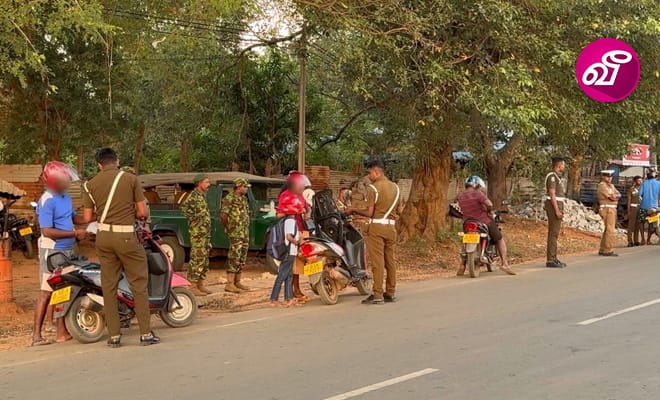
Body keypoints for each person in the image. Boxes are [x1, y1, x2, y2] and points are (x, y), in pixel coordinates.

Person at [82, 148, 159, 347]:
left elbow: (88, 218)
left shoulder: (89, 185)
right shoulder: (130, 179)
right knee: (138, 284)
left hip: (104, 237)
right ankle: (145, 333)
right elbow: (142, 212)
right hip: (126, 236)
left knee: (108, 286)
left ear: (99, 165)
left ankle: (114, 336)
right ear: (116, 161)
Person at [31, 161, 86, 346]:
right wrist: (74, 233)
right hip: (52, 250)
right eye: (64, 180)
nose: (68, 183)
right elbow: (47, 230)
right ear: (54, 182)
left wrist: (90, 218)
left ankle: (61, 331)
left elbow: (73, 218)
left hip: (68, 249)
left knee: (63, 290)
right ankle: (36, 335)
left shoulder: (65, 197)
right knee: (46, 292)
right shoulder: (47, 200)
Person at [345, 159, 397, 305]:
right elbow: (397, 210)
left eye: (370, 173)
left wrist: (353, 209)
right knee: (390, 261)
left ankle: (378, 294)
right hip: (391, 228)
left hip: (377, 228)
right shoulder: (395, 188)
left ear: (376, 171)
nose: (369, 176)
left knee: (377, 262)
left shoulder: (373, 188)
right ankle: (391, 292)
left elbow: (369, 212)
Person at [457, 175, 516, 276]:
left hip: (467, 223)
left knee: (465, 240)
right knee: (499, 238)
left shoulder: (460, 196)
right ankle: (505, 264)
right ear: (476, 185)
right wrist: (488, 210)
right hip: (483, 221)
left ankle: (462, 265)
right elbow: (489, 204)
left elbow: (456, 207)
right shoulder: (478, 194)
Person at [277, 171, 310, 302]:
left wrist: (307, 212)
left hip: (301, 230)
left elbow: (307, 208)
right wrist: (294, 210)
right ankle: (291, 291)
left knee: (299, 262)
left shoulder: (300, 196)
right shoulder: (284, 196)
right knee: (290, 262)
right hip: (289, 231)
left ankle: (295, 289)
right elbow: (279, 214)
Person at [269, 193, 306, 307]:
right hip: (289, 251)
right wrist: (298, 242)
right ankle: (273, 299)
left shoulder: (288, 220)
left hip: (291, 251)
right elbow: (289, 237)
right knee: (282, 275)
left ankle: (289, 298)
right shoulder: (290, 221)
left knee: (289, 275)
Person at [180, 174, 212, 296]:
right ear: (199, 183)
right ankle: (192, 285)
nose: (208, 184)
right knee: (197, 258)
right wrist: (194, 219)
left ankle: (200, 284)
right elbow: (184, 209)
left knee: (204, 259)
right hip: (197, 234)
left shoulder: (202, 197)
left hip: (205, 233)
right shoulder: (193, 196)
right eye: (206, 182)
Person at [221, 178, 251, 293]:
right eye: (245, 187)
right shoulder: (229, 198)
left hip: (244, 232)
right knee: (234, 255)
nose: (246, 189)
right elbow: (224, 215)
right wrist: (227, 227)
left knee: (242, 256)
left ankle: (237, 281)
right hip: (235, 232)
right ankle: (229, 283)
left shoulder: (243, 199)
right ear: (239, 187)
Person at [545, 157, 567, 268]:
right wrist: (557, 210)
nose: (564, 166)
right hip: (554, 205)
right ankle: (550, 259)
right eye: (563, 164)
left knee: (555, 233)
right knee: (553, 233)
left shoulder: (558, 177)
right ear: (559, 165)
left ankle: (554, 257)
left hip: (559, 204)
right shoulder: (552, 177)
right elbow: (552, 194)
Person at [597, 170, 621, 257]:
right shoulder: (602, 186)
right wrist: (614, 196)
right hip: (607, 208)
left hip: (612, 208)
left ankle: (603, 248)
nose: (609, 178)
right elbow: (611, 197)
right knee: (610, 230)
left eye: (611, 177)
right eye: (607, 176)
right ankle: (608, 249)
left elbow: (619, 195)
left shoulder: (611, 186)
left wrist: (615, 196)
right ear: (603, 177)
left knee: (608, 229)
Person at [638, 169, 660, 244]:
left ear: (647, 176)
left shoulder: (644, 183)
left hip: (643, 207)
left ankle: (643, 239)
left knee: (641, 222)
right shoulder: (658, 184)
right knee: (652, 223)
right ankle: (648, 240)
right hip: (654, 207)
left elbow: (639, 194)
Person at [627, 175, 643, 247]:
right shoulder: (631, 189)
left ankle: (636, 240)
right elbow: (629, 200)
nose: (640, 182)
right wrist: (628, 210)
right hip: (633, 207)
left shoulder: (642, 189)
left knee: (638, 225)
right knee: (631, 225)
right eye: (639, 180)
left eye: (641, 180)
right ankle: (630, 241)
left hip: (640, 207)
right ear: (635, 181)